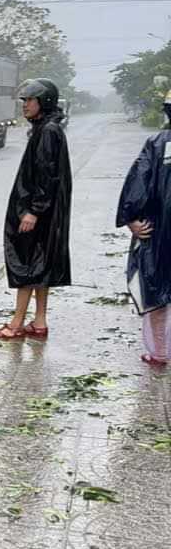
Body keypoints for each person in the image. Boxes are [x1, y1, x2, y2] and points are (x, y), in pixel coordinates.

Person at [0, 79, 72, 340]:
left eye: (29, 100)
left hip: (39, 212)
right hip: (48, 211)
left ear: (43, 102)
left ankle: (16, 324)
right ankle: (39, 321)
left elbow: (46, 176)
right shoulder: (48, 128)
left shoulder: (47, 132)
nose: (25, 105)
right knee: (40, 264)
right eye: (23, 101)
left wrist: (33, 211)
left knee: (27, 264)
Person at [116, 89, 171, 366]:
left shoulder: (157, 144)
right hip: (157, 230)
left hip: (157, 233)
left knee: (157, 291)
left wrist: (131, 219)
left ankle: (160, 352)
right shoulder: (156, 144)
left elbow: (137, 184)